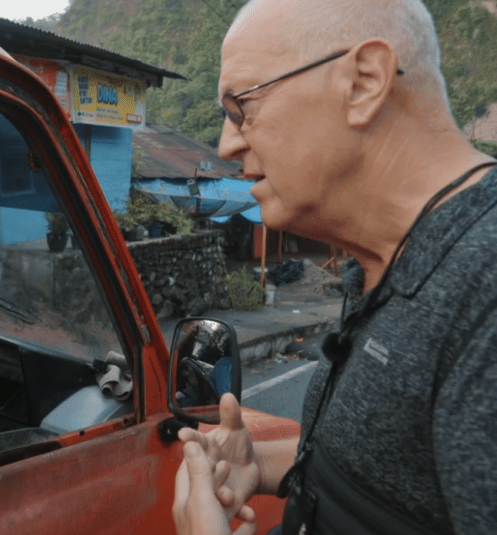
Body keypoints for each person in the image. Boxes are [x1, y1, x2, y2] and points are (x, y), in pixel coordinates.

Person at [173, 0, 497, 534]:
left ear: (364, 81)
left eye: (241, 108)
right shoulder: (381, 265)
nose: (227, 144)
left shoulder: (483, 291)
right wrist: (263, 466)